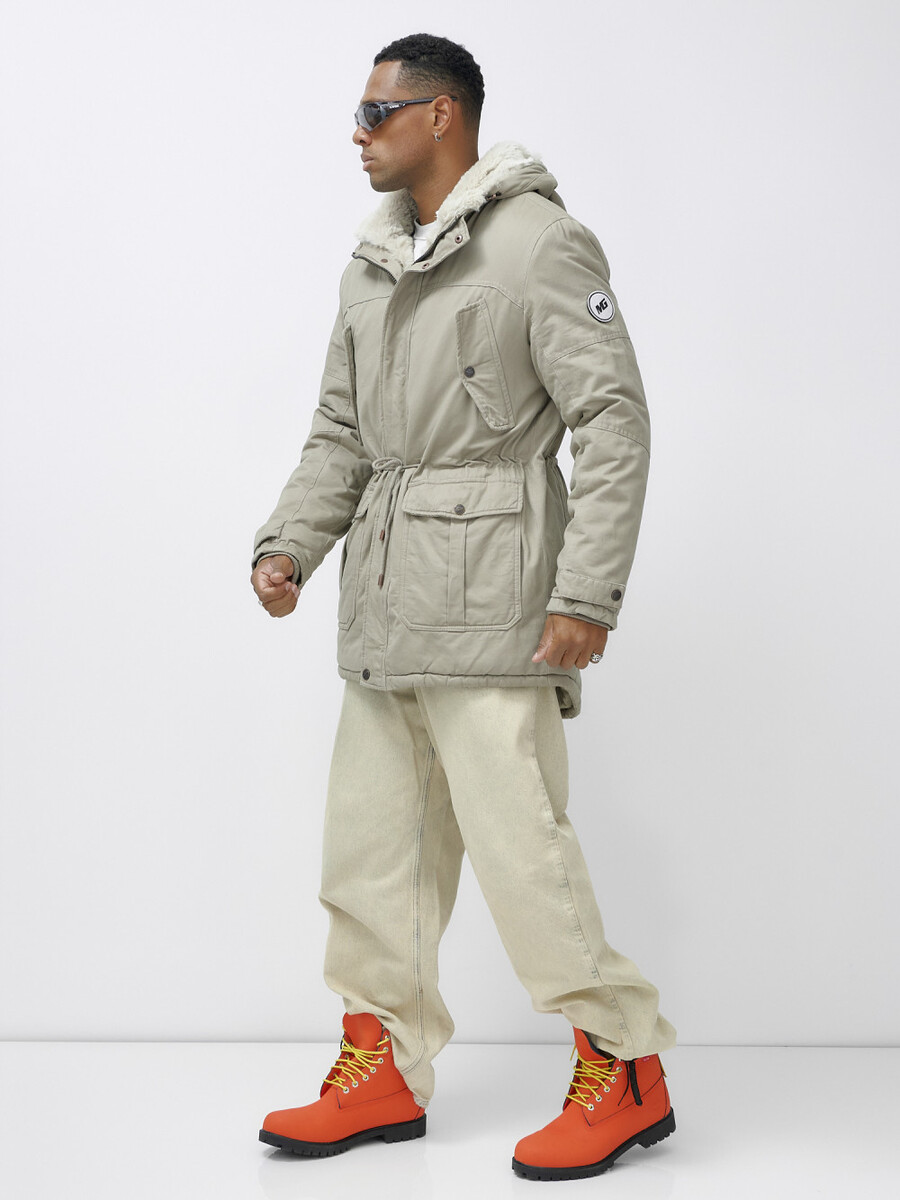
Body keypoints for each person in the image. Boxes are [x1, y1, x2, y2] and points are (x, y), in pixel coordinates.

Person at [251, 32, 677, 1182]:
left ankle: (624, 1067)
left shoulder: (539, 242)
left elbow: (614, 420)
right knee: (368, 855)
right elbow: (340, 434)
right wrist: (291, 543)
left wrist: (587, 591)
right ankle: (381, 1066)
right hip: (385, 610)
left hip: (498, 607)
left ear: (441, 114)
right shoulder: (369, 265)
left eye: (375, 111)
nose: (356, 133)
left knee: (522, 851)